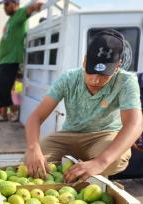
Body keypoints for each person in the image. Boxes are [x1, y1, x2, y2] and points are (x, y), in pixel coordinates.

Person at [25, 30, 143, 181]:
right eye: (91, 71)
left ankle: (93, 172)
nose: (95, 80)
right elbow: (36, 116)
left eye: (103, 74)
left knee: (116, 159)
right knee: (33, 161)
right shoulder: (69, 78)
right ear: (85, 61)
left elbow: (135, 123)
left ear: (117, 66)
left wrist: (101, 162)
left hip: (103, 136)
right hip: (69, 135)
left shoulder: (126, 81)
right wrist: (33, 148)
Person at [0, 0, 43, 123]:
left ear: (15, 4)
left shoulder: (19, 13)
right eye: (3, 5)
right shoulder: (11, 19)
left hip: (12, 59)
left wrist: (37, 4)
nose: (4, 7)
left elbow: (31, 8)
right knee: (3, 87)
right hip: (4, 60)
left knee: (7, 87)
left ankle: (15, 112)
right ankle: (4, 114)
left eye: (7, 4)